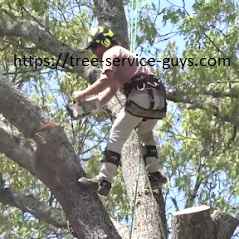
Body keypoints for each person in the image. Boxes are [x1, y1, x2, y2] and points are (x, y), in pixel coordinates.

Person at [73, 26, 167, 196]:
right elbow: (109, 91)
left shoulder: (112, 52)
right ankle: (155, 174)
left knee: (117, 132)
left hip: (141, 96)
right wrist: (87, 105)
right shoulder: (125, 56)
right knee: (146, 135)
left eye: (94, 47)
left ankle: (104, 179)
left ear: (103, 43)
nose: (94, 53)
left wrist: (82, 94)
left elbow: (105, 80)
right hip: (158, 101)